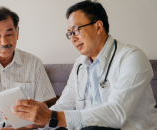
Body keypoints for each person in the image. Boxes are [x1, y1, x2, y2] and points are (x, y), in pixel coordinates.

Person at [11, 1, 157, 130]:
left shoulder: (132, 57)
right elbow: (64, 106)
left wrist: (50, 117)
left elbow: (116, 113)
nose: (73, 38)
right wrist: (34, 123)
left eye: (76, 30)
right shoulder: (80, 66)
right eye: (69, 33)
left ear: (98, 26)